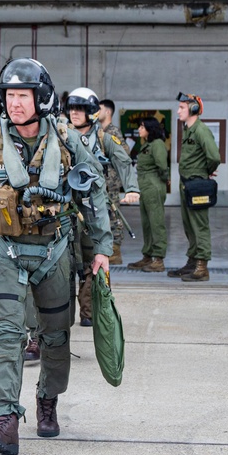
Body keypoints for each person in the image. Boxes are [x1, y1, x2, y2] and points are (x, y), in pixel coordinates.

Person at [0, 58, 112, 455]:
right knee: (8, 334)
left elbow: (93, 193)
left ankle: (47, 399)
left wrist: (103, 247)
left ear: (41, 97)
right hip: (4, 251)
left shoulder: (68, 141)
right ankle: (5, 418)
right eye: (9, 95)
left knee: (55, 337)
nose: (15, 102)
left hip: (54, 250)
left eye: (23, 95)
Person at [63, 87, 138, 326]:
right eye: (72, 108)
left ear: (92, 112)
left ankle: (90, 312)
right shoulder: (59, 135)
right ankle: (60, 315)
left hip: (92, 209)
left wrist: (132, 188)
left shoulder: (104, 138)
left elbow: (123, 160)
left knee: (92, 261)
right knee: (62, 263)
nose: (74, 113)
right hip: (64, 207)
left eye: (80, 108)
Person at [168, 93, 220, 282]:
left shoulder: (200, 130)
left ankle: (202, 266)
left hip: (197, 184)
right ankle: (192, 261)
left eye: (182, 107)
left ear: (194, 109)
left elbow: (214, 156)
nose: (178, 111)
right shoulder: (188, 130)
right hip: (187, 184)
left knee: (199, 225)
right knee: (189, 225)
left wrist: (205, 172)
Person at [96, 98, 135, 262]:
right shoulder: (98, 130)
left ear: (108, 112)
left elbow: (124, 153)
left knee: (113, 214)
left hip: (111, 182)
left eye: (100, 109)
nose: (96, 112)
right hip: (101, 181)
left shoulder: (113, 132)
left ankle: (116, 249)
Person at [131, 117, 169, 272]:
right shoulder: (147, 145)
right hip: (145, 187)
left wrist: (164, 181)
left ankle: (158, 259)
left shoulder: (157, 144)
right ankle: (148, 255)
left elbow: (162, 166)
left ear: (150, 128)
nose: (139, 129)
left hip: (153, 186)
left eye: (142, 126)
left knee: (156, 222)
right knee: (147, 224)